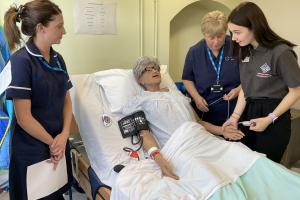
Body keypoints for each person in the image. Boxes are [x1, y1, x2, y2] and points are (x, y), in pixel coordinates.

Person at [114, 56, 300, 200]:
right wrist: (157, 156)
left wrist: (222, 131)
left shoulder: (178, 95)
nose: (154, 70)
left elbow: (198, 123)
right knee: (209, 174)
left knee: (245, 156)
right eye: (147, 69)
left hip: (202, 138)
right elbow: (145, 134)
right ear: (139, 78)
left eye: (155, 67)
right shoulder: (140, 101)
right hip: (180, 148)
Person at [4, 1, 73, 199]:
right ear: (41, 28)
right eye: (59, 26)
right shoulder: (21, 61)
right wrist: (53, 143)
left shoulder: (58, 58)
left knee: (55, 192)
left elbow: (66, 99)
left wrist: (64, 134)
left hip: (58, 142)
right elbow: (23, 117)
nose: (64, 31)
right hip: (32, 148)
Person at [223, 1, 300, 163]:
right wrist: (234, 117)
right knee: (246, 165)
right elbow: (246, 86)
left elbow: (296, 91)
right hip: (250, 111)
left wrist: (270, 118)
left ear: (254, 26)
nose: (234, 38)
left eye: (237, 32)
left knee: (266, 167)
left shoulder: (281, 52)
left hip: (274, 115)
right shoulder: (245, 50)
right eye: (232, 33)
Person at [182, 11, 241, 126]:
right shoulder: (194, 52)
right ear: (204, 34)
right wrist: (197, 98)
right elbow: (187, 79)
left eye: (220, 36)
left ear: (226, 32)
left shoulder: (237, 47)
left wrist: (238, 90)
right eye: (211, 37)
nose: (216, 41)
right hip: (206, 108)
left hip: (234, 109)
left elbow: (249, 75)